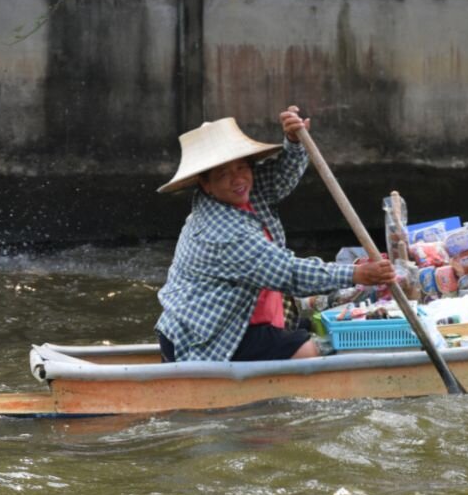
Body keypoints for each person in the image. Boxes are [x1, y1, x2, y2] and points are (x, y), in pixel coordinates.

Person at [155, 108, 395, 362]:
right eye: (224, 174)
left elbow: (280, 177)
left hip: (237, 319)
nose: (238, 179)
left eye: (241, 167)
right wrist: (356, 274)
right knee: (315, 351)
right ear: (206, 184)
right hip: (209, 335)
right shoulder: (223, 231)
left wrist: (293, 141)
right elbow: (288, 273)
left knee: (311, 326)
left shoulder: (241, 191)